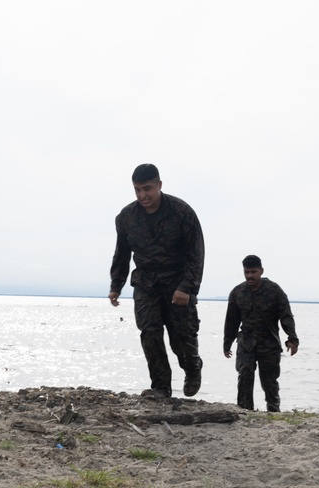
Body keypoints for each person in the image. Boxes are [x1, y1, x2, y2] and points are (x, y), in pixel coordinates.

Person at [109, 163, 205, 399]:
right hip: (146, 283)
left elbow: (196, 253)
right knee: (149, 333)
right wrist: (116, 285)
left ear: (159, 185)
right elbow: (122, 253)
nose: (142, 195)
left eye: (147, 188)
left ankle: (192, 368)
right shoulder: (126, 217)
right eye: (137, 190)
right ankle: (161, 387)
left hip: (177, 283)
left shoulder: (182, 212)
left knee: (181, 338)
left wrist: (186, 287)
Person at [223, 255, 300, 412]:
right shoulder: (237, 293)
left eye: (253, 272)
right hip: (246, 342)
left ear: (261, 271)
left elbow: (286, 316)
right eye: (247, 272)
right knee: (244, 375)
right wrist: (227, 343)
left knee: (269, 380)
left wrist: (292, 338)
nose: (250, 276)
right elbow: (231, 320)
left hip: (269, 343)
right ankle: (245, 410)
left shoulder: (274, 291)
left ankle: (273, 410)